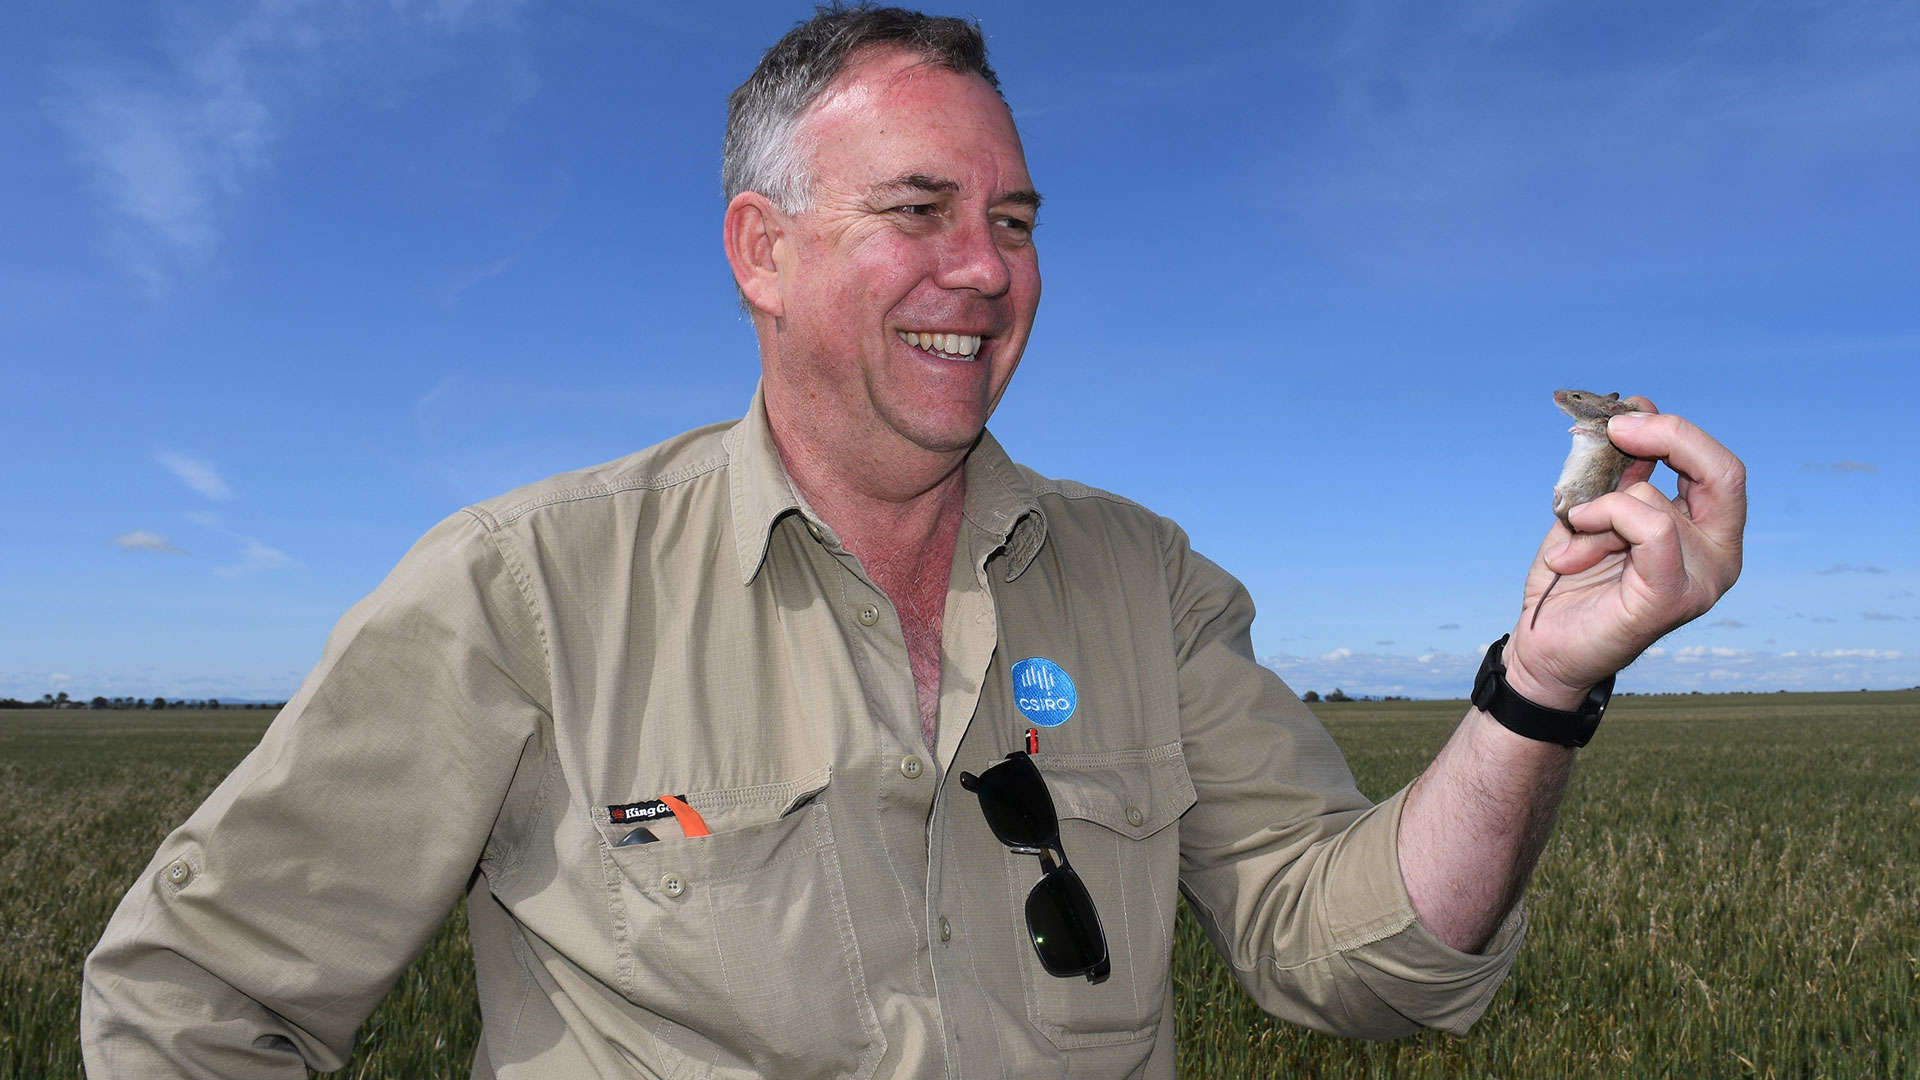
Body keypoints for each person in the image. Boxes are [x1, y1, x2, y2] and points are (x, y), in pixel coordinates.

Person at [82, 7, 1746, 1079]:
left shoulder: (1143, 582)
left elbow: (1352, 958)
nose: (985, 268)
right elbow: (198, 998)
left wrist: (1538, 689)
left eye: (1013, 222)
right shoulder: (527, 589)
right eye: (918, 211)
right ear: (764, 251)